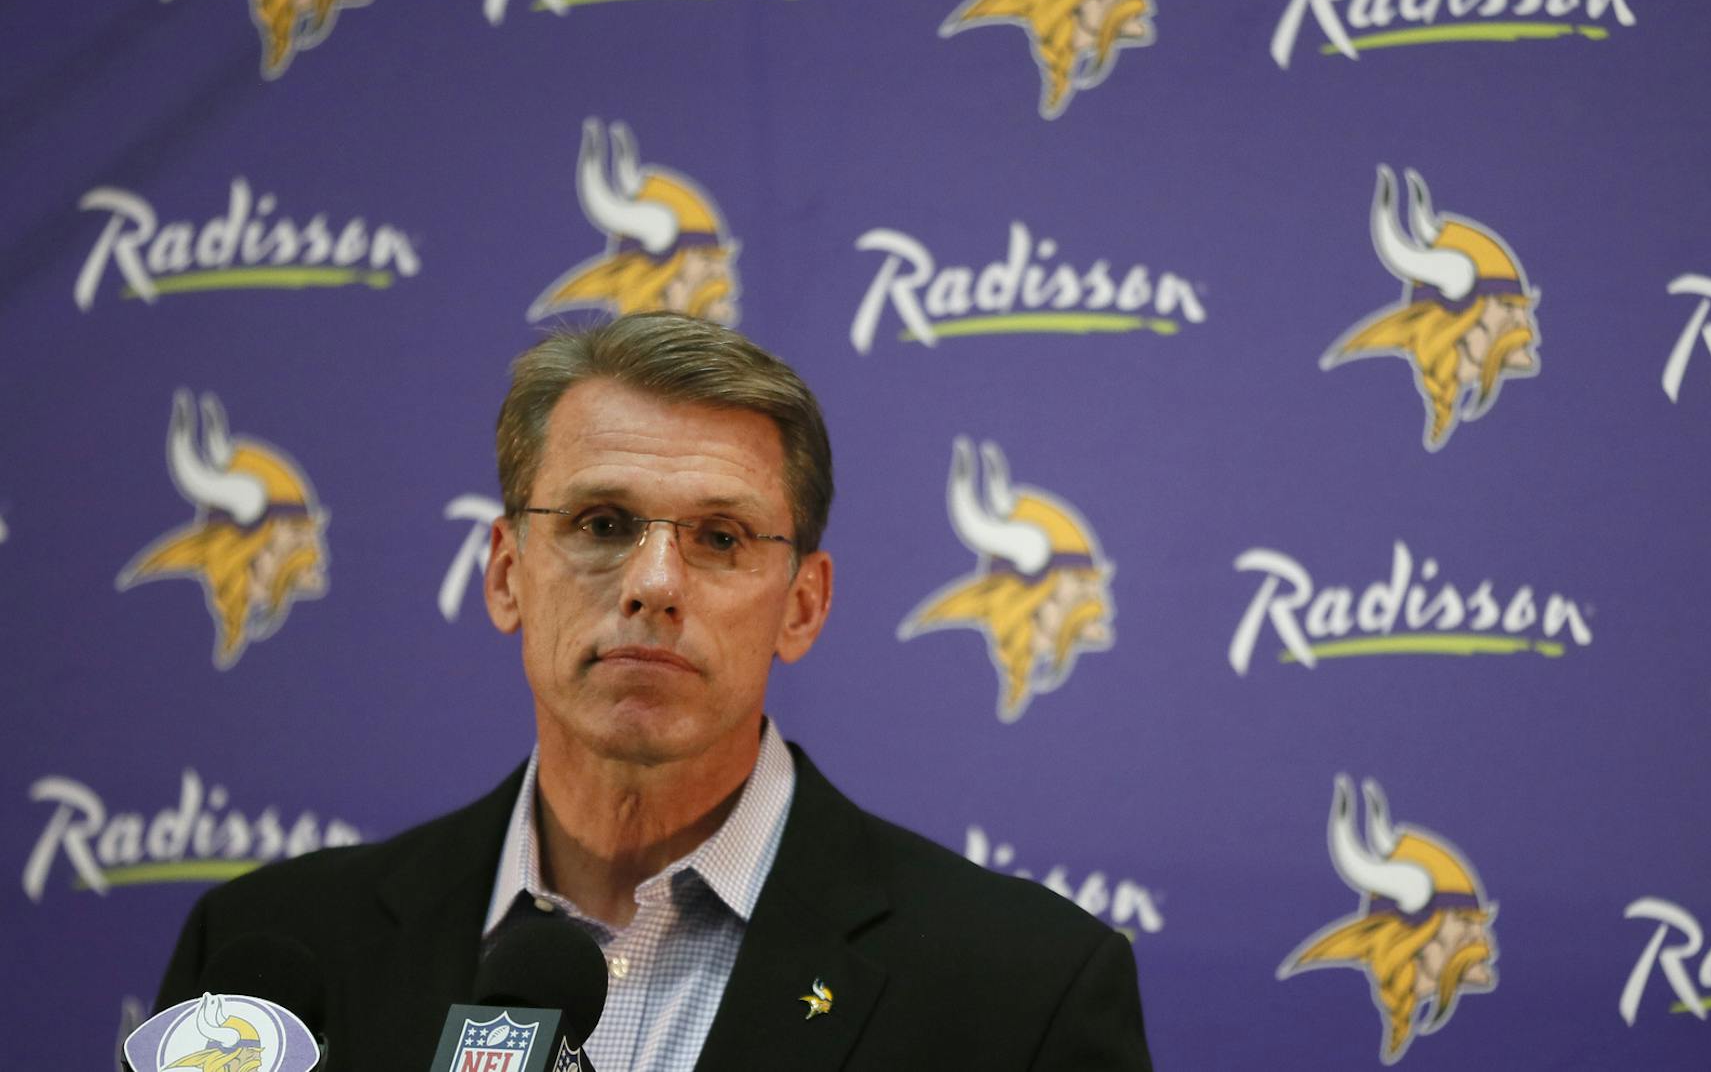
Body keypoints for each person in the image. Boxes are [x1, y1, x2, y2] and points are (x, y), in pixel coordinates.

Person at [156, 313, 1154, 1070]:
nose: (654, 582)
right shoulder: (269, 960)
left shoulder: (1022, 993)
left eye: (720, 537)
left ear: (803, 606)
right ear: (506, 574)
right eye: (600, 522)